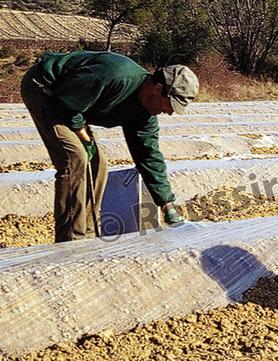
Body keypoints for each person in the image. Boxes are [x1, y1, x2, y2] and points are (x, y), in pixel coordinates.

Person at [20, 50, 198, 242]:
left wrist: (166, 204)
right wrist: (84, 136)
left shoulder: (145, 113)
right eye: (169, 105)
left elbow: (148, 154)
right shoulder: (115, 75)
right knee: (75, 158)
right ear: (157, 88)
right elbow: (66, 103)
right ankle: (71, 239)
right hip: (46, 89)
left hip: (73, 102)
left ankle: (87, 233)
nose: (169, 112)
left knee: (99, 164)